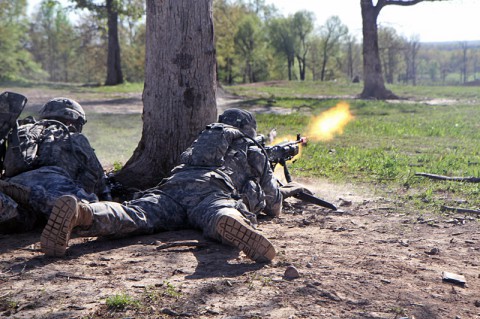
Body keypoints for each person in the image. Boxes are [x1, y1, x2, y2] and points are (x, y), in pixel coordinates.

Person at [40, 108, 310, 263]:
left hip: (172, 188)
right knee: (218, 212)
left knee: (136, 213)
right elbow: (273, 204)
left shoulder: (204, 140)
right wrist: (282, 186)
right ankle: (231, 221)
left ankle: (84, 213)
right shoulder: (251, 146)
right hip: (212, 190)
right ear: (249, 129)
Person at [0, 97, 110, 233]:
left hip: (15, 180)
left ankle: (11, 204)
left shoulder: (25, 130)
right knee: (84, 208)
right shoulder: (74, 137)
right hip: (53, 182)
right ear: (71, 120)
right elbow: (98, 179)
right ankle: (36, 197)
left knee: (23, 217)